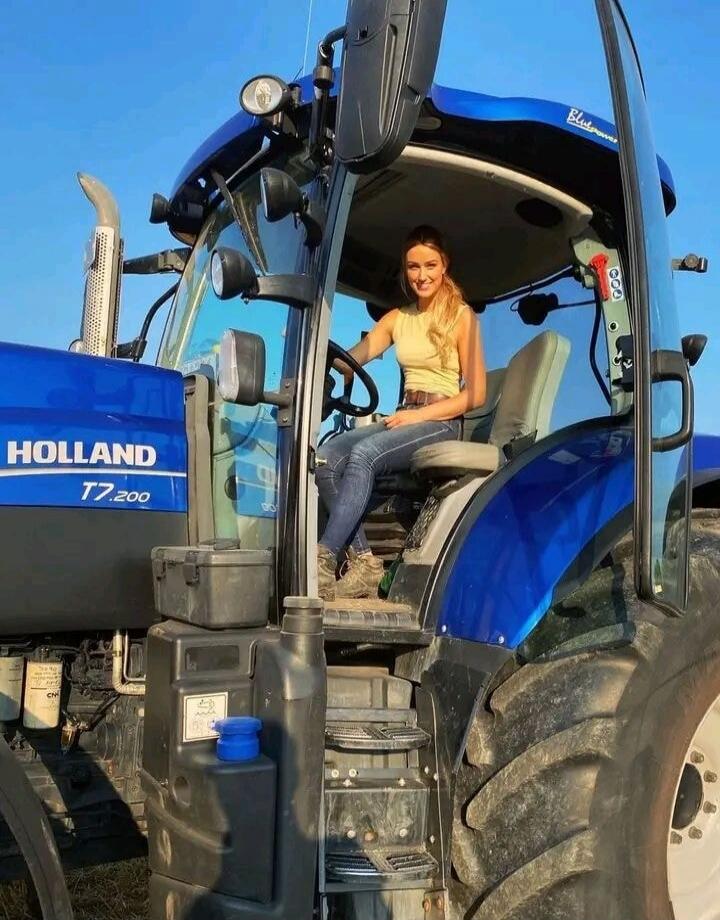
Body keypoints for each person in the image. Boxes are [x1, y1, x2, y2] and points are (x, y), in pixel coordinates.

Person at [316, 225, 487, 601]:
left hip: (439, 421)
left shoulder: (461, 317)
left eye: (430, 265)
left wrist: (417, 417)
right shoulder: (397, 318)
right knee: (327, 458)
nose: (421, 275)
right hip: (404, 416)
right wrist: (321, 354)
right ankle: (364, 561)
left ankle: (323, 559)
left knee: (364, 454)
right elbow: (352, 361)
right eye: (413, 267)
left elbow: (475, 393)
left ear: (444, 266)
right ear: (405, 270)